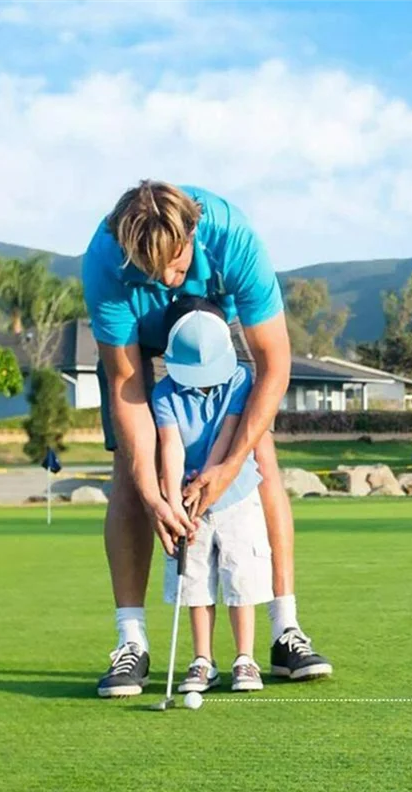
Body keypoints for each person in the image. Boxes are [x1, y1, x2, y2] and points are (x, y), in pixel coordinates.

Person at [84, 181, 331, 698]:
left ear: (193, 233)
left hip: (212, 332)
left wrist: (229, 464)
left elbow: (274, 365)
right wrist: (153, 493)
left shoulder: (233, 238)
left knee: (259, 459)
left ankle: (285, 629)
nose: (165, 280)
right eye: (151, 271)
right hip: (142, 343)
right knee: (129, 474)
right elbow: (128, 386)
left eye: (175, 266)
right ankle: (132, 642)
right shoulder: (106, 261)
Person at [156, 298, 271, 692]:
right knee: (195, 581)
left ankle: (245, 659)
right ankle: (202, 660)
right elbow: (171, 447)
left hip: (236, 495)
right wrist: (175, 504)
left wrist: (206, 482)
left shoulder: (239, 379)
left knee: (241, 576)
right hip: (190, 502)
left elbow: (228, 435)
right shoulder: (164, 393)